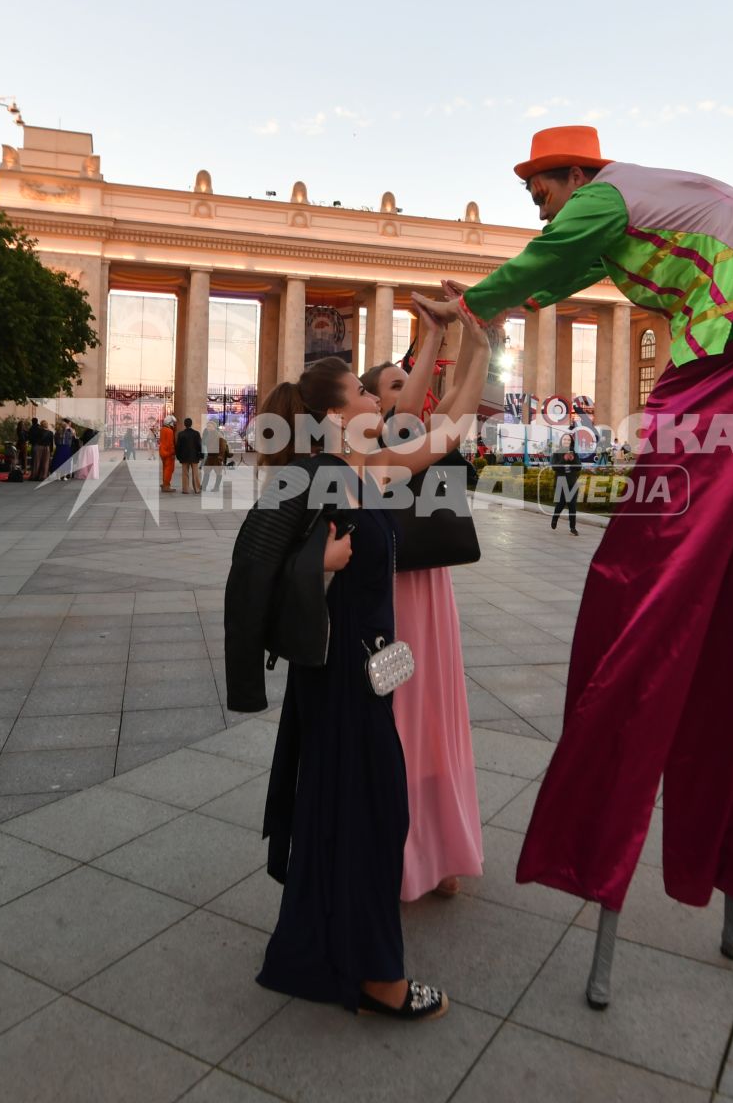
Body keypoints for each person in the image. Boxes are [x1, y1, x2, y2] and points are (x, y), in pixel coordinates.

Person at [446, 125, 733, 996]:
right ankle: (724, 874)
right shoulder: (633, 205)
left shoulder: (605, 194)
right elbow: (556, 272)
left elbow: (542, 262)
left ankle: (614, 777)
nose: (541, 203)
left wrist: (471, 305)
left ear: (575, 172)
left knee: (649, 558)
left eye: (540, 187)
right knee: (718, 542)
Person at [224, 345, 476, 1022]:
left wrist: (474, 342)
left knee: (352, 813)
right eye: (366, 398)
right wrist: (320, 563)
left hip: (371, 672)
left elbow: (451, 427)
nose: (379, 404)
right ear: (339, 411)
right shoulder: (314, 476)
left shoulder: (366, 471)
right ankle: (379, 978)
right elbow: (251, 566)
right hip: (341, 678)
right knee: (371, 816)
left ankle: (319, 952)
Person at [360, 296, 491, 902]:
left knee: (436, 716)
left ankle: (439, 848)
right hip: (391, 591)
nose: (406, 386)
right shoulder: (377, 446)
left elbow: (456, 401)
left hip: (431, 585)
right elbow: (425, 403)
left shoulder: (409, 434)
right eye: (388, 382)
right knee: (403, 719)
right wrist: (441, 338)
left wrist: (467, 341)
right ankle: (406, 851)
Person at [550, 437, 583, 535]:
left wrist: (572, 460)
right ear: (561, 441)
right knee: (560, 504)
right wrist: (564, 459)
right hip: (561, 482)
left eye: (568, 440)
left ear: (571, 442)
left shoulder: (574, 453)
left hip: (572, 483)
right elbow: (554, 467)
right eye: (564, 439)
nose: (566, 441)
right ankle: (555, 518)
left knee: (572, 506)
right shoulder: (557, 453)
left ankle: (573, 528)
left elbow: (579, 467)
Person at [176, 417, 203, 493]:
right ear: (191, 424)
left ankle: (185, 489)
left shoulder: (181, 434)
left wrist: (178, 456)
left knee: (185, 473)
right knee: (195, 474)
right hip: (194, 456)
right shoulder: (196, 433)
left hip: (184, 457)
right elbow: (199, 445)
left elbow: (178, 446)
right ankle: (197, 489)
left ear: (184, 424)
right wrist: (201, 455)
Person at [158, 415, 177, 491]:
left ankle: (164, 484)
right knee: (169, 469)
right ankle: (166, 485)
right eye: (174, 423)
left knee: (165, 468)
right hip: (168, 453)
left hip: (162, 451)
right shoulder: (169, 431)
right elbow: (170, 444)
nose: (174, 425)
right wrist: (173, 453)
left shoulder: (163, 429)